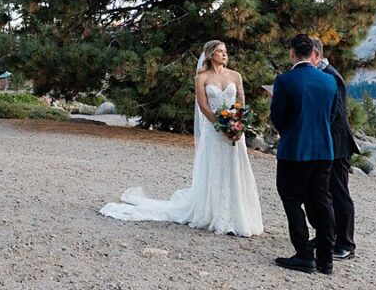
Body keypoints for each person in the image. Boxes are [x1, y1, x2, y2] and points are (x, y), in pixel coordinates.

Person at [100, 40, 265, 237]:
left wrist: (237, 125)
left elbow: (241, 103)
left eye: (225, 51)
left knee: (234, 168)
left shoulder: (235, 76)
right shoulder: (202, 77)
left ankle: (237, 215)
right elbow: (203, 105)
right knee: (214, 167)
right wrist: (220, 126)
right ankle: (213, 213)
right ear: (210, 55)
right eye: (220, 51)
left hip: (235, 131)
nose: (224, 55)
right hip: (214, 130)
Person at [268, 34, 339, 274]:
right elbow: (332, 115)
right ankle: (326, 258)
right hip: (323, 149)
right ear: (312, 53)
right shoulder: (329, 81)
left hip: (295, 149)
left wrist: (289, 131)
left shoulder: (285, 80)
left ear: (292, 53)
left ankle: (304, 253)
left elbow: (278, 116)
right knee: (322, 200)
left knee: (290, 198)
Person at [312, 37, 358, 260]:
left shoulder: (331, 76)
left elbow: (336, 113)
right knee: (322, 192)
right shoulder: (321, 75)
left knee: (339, 192)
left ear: (316, 55)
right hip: (325, 142)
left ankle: (346, 243)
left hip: (337, 144)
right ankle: (326, 235)